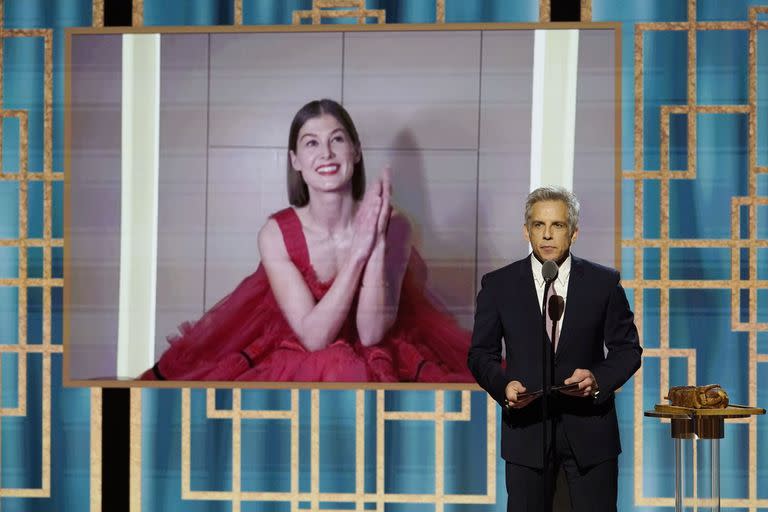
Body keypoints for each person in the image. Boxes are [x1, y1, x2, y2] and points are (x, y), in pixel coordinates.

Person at [140, 99, 472, 383]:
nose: (326, 153)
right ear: (296, 160)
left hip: (379, 351)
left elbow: (371, 334)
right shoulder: (275, 234)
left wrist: (375, 242)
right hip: (296, 346)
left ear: (355, 152)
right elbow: (315, 338)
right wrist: (358, 253)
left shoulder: (396, 226)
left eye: (337, 139)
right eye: (311, 143)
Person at [467, 186, 642, 511]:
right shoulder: (498, 286)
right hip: (527, 435)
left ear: (574, 232)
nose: (547, 235)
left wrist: (597, 379)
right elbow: (480, 355)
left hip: (591, 437)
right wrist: (503, 386)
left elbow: (628, 350)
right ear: (526, 230)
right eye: (538, 225)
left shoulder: (603, 283)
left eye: (558, 225)